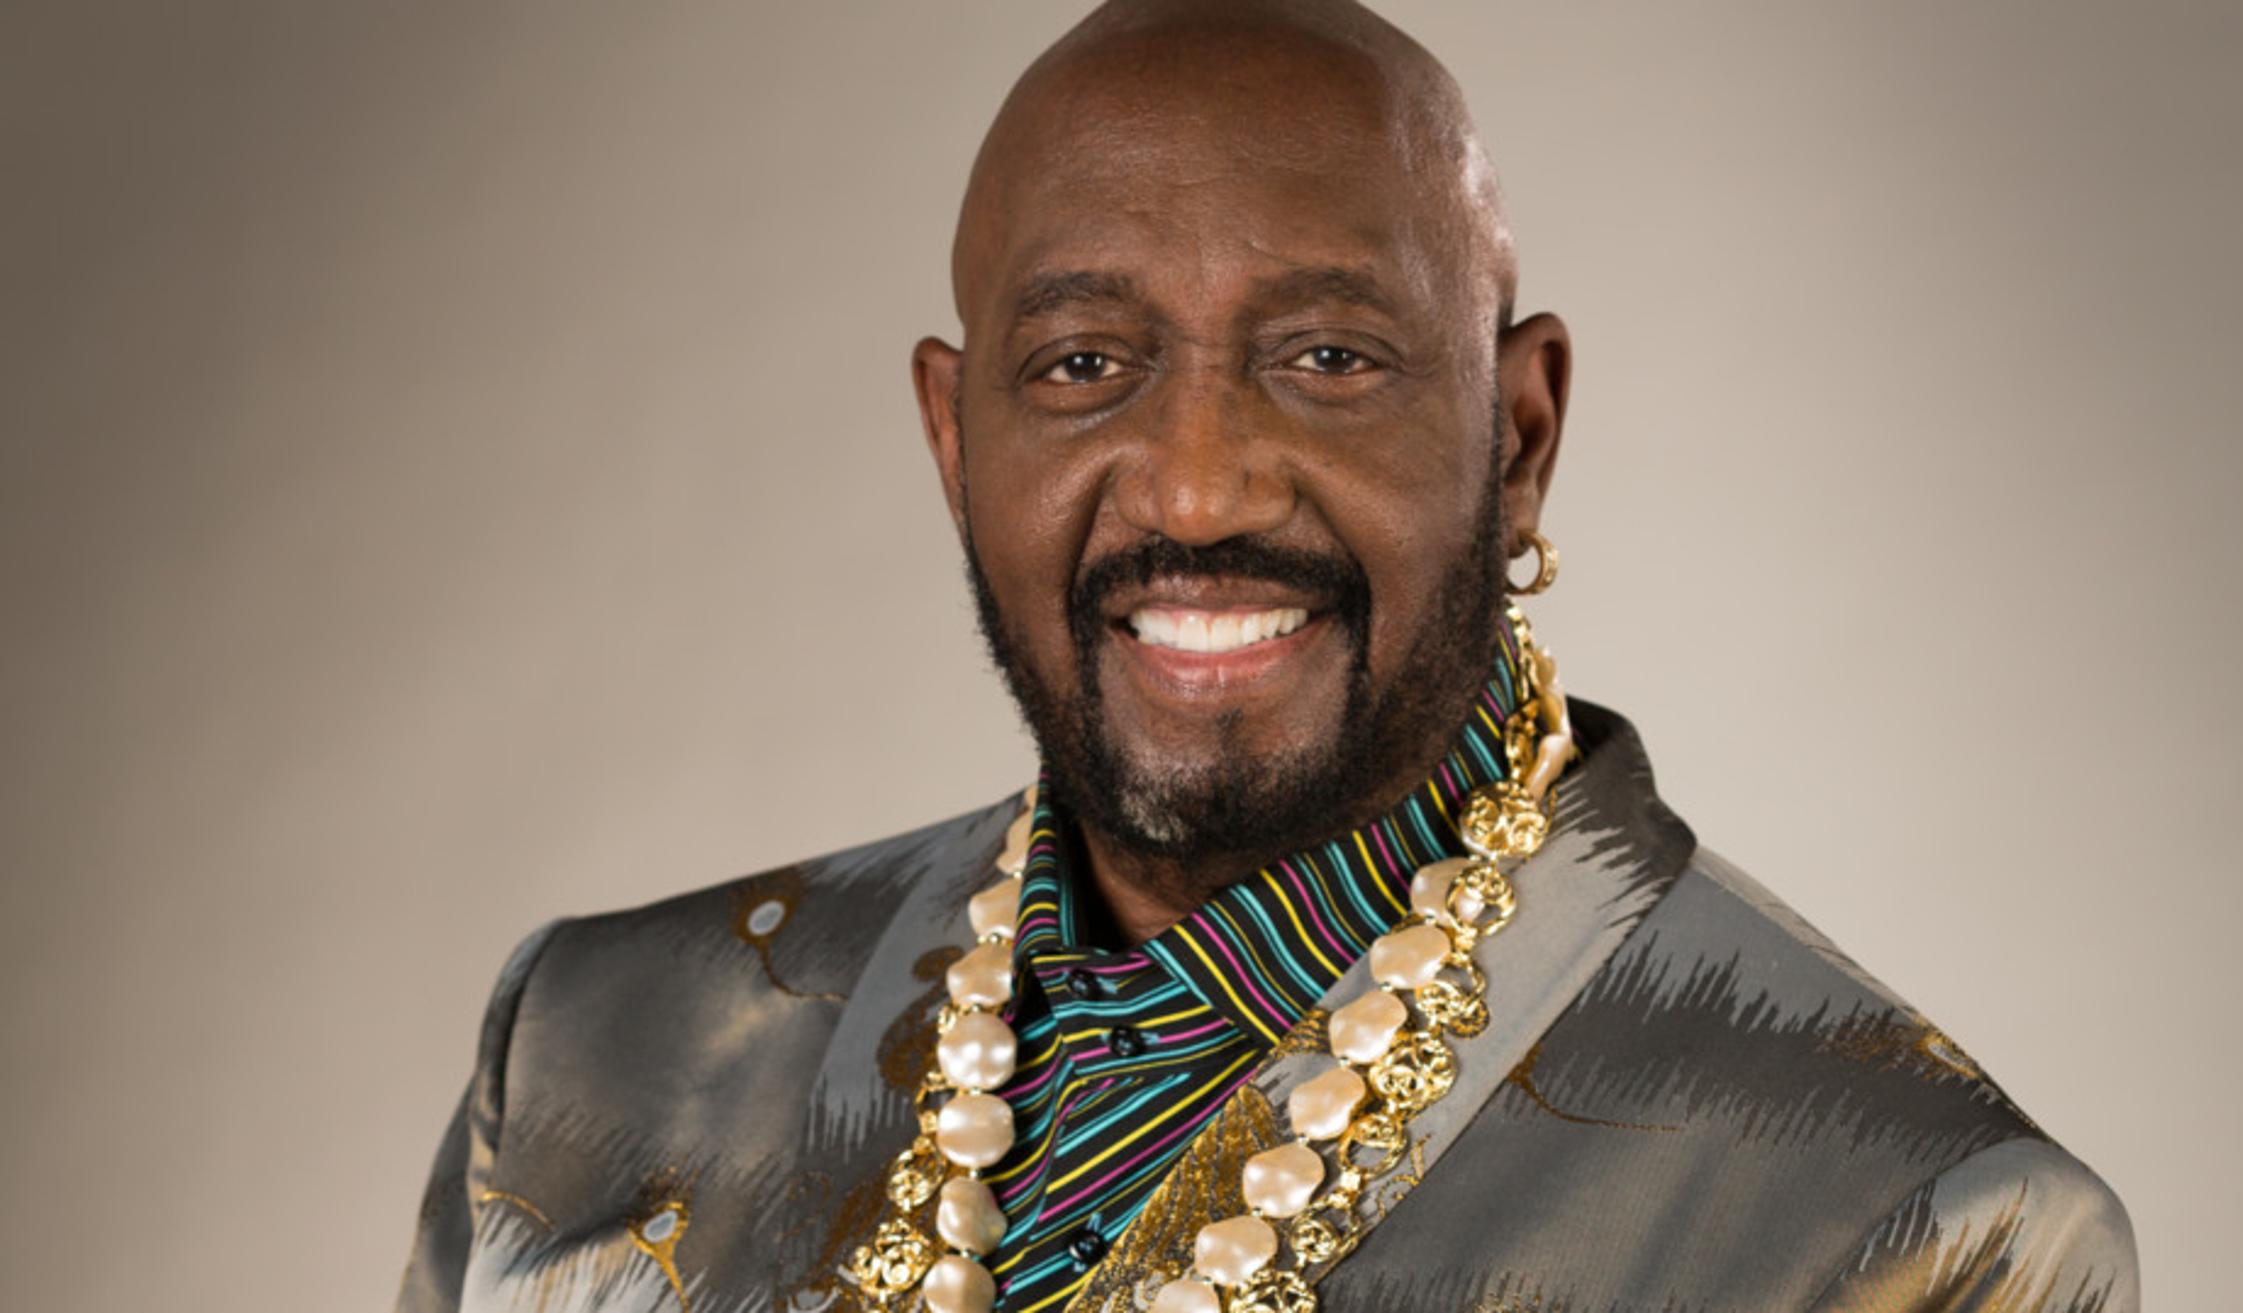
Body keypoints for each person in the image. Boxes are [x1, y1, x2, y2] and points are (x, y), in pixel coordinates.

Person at [397, 2, 2137, 1311]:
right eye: (1085, 364)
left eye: (1327, 357)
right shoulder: (587, 1057)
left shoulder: (1910, 1231)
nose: (1198, 484)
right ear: (954, 439)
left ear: (1519, 437)